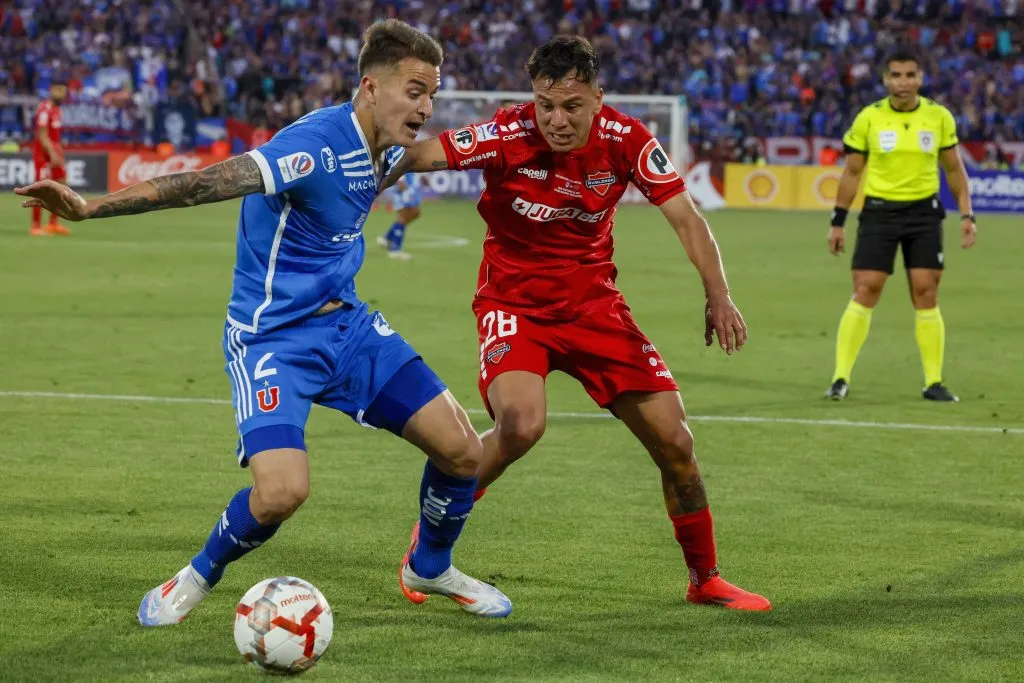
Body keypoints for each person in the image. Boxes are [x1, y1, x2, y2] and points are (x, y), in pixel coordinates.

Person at [15, 19, 512, 627]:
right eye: (415, 91)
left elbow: (461, 147)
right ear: (370, 87)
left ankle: (429, 567)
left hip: (349, 331)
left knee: (462, 449)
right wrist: (92, 207)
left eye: (432, 93)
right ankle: (196, 576)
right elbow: (203, 183)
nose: (426, 106)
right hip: (272, 338)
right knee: (281, 493)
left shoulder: (387, 150)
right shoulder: (314, 146)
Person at [388, 35, 771, 611]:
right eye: (545, 105)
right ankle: (431, 545)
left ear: (597, 98)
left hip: (595, 308)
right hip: (512, 304)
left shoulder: (628, 140)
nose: (556, 120)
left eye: (571, 106)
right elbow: (418, 156)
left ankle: (705, 578)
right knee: (521, 425)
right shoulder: (505, 133)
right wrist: (355, 168)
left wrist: (719, 294)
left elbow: (686, 217)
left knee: (676, 444)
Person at [825, 47, 977, 402]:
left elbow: (955, 170)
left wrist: (967, 215)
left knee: (926, 292)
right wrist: (838, 221)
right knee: (866, 289)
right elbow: (851, 173)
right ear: (885, 79)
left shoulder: (938, 117)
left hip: (924, 214)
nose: (903, 82)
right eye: (896, 75)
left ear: (920, 78)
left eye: (910, 75)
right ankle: (840, 378)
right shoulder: (869, 118)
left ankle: (933, 382)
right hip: (879, 213)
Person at [31, 79, 70, 237]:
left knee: (61, 185)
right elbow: (42, 135)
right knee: (41, 188)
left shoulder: (57, 110)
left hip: (54, 152)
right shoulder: (44, 109)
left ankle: (53, 222)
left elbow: (55, 136)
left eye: (65, 92)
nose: (63, 95)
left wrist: (59, 152)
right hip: (43, 155)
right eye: (61, 91)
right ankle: (35, 225)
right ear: (53, 90)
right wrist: (52, 153)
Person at [377, 172, 420, 260]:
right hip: (403, 191)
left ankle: (387, 238)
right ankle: (395, 250)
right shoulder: (403, 159)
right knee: (404, 216)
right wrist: (404, 188)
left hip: (408, 188)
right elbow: (400, 175)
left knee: (415, 213)